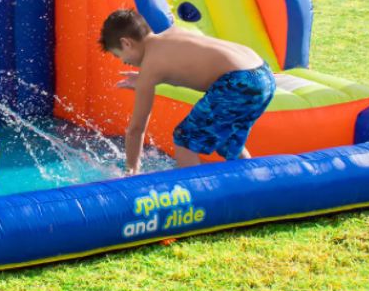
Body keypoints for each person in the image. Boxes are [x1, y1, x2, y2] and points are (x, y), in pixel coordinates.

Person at [98, 9, 276, 175]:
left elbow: (136, 129)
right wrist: (145, 78)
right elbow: (191, 64)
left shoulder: (150, 66)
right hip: (262, 73)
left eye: (118, 55)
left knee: (184, 138)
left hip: (239, 81)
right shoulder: (173, 32)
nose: (123, 61)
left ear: (126, 43)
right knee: (227, 139)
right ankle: (252, 180)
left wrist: (132, 172)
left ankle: (195, 197)